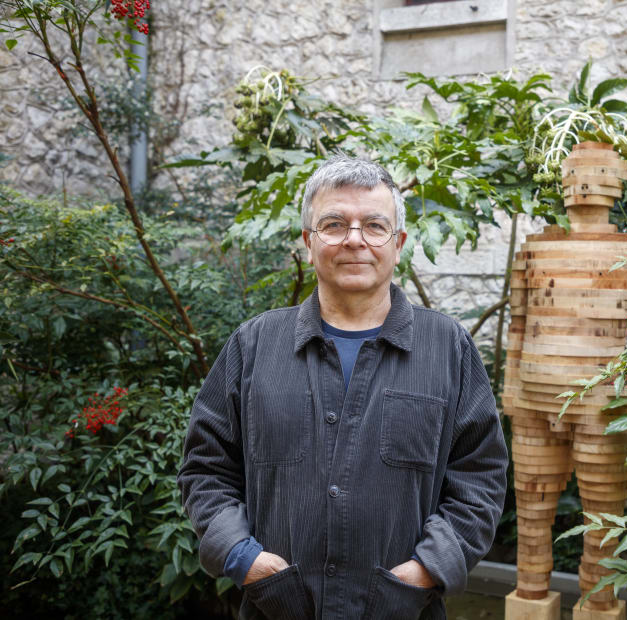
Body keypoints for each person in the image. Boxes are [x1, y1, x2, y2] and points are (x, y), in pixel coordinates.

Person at [178, 155, 509, 620]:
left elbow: (480, 477)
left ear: (398, 244)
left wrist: (427, 568)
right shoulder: (253, 345)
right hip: (278, 609)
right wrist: (241, 556)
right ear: (308, 243)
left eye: (374, 225)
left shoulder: (448, 347)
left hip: (401, 610)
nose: (354, 239)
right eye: (334, 224)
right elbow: (206, 469)